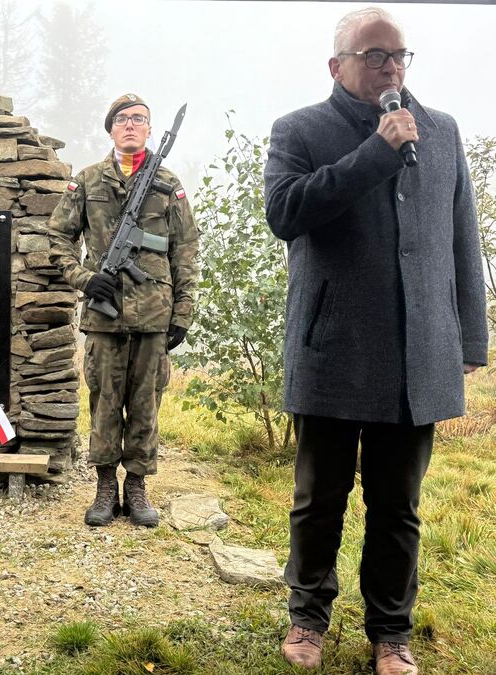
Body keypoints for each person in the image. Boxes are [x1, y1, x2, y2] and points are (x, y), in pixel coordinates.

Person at [264, 8, 488, 674]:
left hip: (416, 356)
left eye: (398, 54)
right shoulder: (299, 129)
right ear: (338, 66)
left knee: (398, 505)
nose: (391, 65)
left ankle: (391, 630)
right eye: (374, 55)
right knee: (318, 500)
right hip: (331, 349)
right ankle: (308, 616)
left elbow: (461, 240)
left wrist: (469, 339)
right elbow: (286, 212)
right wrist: (375, 154)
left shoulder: (440, 131)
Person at [47, 94, 199, 528]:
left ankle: (137, 487)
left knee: (146, 404)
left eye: (139, 119)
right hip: (105, 314)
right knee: (104, 404)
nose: (131, 125)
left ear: (150, 130)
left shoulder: (168, 184)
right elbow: (58, 238)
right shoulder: (89, 180)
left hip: (155, 313)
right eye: (122, 119)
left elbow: (185, 249)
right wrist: (83, 278)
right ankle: (104, 488)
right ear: (110, 129)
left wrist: (182, 311)